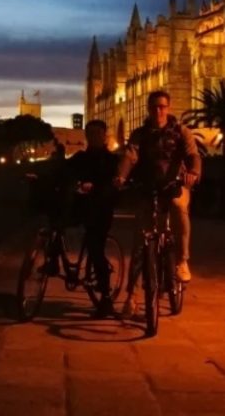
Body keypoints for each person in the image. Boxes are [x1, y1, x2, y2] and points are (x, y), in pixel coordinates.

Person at [114, 90, 201, 318]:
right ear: (148, 109)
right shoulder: (140, 134)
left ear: (168, 108)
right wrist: (121, 176)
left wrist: (192, 172)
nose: (158, 111)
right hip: (148, 188)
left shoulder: (181, 131)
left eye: (162, 106)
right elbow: (130, 155)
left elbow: (193, 154)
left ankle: (182, 260)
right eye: (154, 107)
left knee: (179, 208)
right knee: (139, 243)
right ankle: (131, 296)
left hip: (175, 185)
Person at [65, 119, 119, 318]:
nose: (94, 137)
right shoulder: (81, 158)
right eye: (90, 133)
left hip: (101, 210)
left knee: (95, 248)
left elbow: (112, 185)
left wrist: (95, 188)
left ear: (104, 135)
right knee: (56, 223)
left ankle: (105, 298)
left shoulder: (111, 160)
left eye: (98, 133)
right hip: (82, 207)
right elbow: (64, 170)